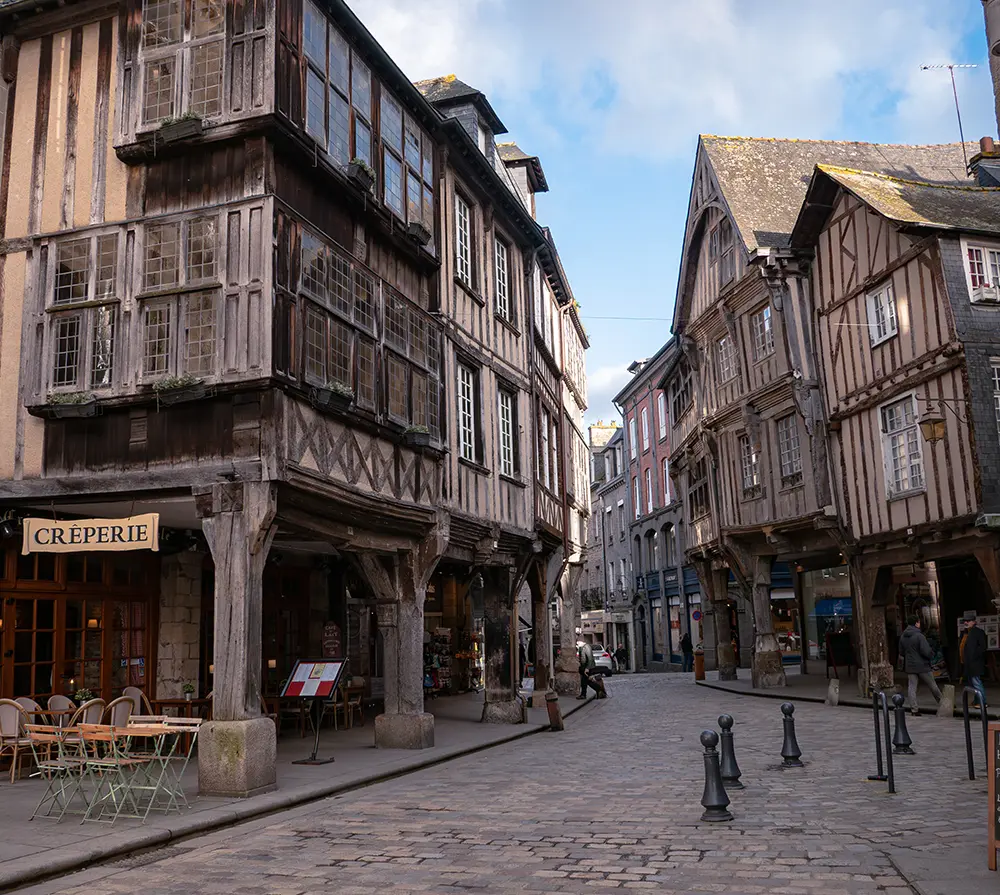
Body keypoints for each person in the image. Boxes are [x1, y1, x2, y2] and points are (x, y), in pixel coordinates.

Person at [899, 615, 942, 715]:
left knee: (912, 688)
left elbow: (901, 652)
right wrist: (932, 654)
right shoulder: (919, 636)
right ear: (916, 623)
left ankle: (914, 709)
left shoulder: (903, 636)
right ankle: (943, 703)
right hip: (922, 665)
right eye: (919, 622)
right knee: (932, 685)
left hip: (910, 666)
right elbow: (926, 651)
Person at [963, 617, 988, 709]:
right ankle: (977, 701)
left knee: (976, 682)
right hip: (970, 662)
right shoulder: (967, 633)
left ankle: (983, 702)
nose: (966, 622)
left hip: (975, 662)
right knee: (973, 683)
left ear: (974, 622)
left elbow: (982, 647)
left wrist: (974, 657)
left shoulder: (978, 632)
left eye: (968, 621)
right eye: (965, 621)